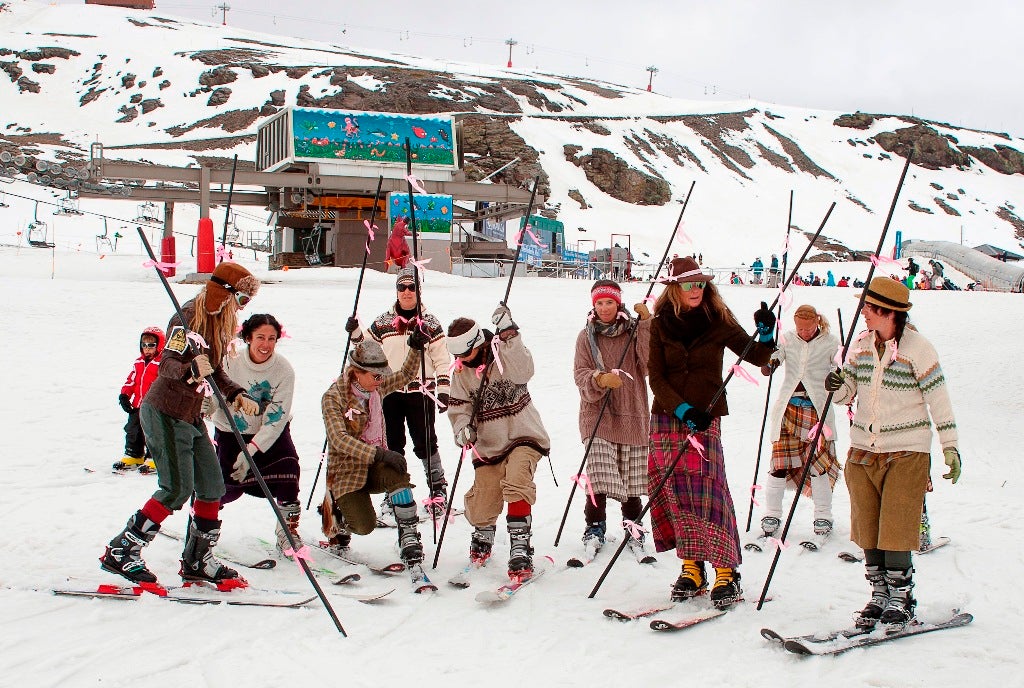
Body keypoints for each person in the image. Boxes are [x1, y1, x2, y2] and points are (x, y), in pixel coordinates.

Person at [100, 262, 261, 585]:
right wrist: (190, 371)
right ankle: (123, 550)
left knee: (212, 487)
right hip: (165, 412)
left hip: (191, 415)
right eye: (241, 300)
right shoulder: (187, 318)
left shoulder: (216, 325)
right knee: (176, 489)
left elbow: (213, 370)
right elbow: (167, 363)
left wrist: (236, 393)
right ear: (225, 294)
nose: (242, 308)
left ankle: (198, 558)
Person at [825, 276, 961, 629]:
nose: (864, 313)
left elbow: (939, 399)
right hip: (863, 451)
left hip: (907, 451)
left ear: (888, 313)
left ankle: (902, 597)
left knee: (896, 527)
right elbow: (845, 396)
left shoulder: (919, 349)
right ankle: (879, 594)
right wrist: (837, 386)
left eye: (868, 308)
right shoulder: (861, 345)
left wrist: (950, 447)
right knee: (868, 527)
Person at [647, 257, 776, 608]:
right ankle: (692, 568)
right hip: (668, 418)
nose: (696, 290)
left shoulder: (717, 320)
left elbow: (759, 356)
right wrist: (682, 410)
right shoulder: (658, 325)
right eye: (689, 284)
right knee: (675, 492)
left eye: (701, 283)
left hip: (706, 417)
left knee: (710, 492)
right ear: (674, 287)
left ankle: (725, 571)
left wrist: (766, 332)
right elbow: (655, 378)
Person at [445, 304, 550, 583]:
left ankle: (519, 546)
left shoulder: (503, 352)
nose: (462, 359)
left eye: (465, 353)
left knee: (516, 482)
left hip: (522, 435)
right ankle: (483, 531)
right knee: (483, 504)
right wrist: (462, 429)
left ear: (478, 343)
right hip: (489, 443)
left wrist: (510, 334)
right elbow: (458, 409)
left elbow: (524, 371)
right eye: (456, 355)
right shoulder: (460, 373)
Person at [348, 267, 452, 520]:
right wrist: (355, 333)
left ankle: (438, 489)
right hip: (389, 393)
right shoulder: (383, 321)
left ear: (419, 291)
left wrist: (444, 389)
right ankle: (393, 491)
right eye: (402, 287)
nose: (406, 292)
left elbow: (441, 358)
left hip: (421, 391)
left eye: (412, 287)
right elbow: (367, 349)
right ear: (396, 290)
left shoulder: (430, 323)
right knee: (392, 443)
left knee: (425, 442)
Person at [319, 334, 429, 571]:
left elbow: (405, 376)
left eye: (382, 375)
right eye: (376, 376)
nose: (381, 380)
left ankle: (408, 535)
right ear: (357, 372)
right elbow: (339, 440)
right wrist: (379, 454)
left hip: (375, 466)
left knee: (397, 470)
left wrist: (414, 349)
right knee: (364, 526)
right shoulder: (333, 397)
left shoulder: (376, 387)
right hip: (348, 473)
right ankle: (338, 517)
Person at [208, 313, 303, 556]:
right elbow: (217, 396)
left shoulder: (284, 370)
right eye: (260, 337)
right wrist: (208, 406)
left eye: (272, 338)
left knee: (289, 470)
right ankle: (203, 524)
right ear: (248, 337)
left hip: (269, 435)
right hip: (232, 432)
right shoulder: (230, 362)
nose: (266, 344)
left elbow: (276, 418)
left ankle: (287, 531)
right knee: (226, 486)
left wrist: (250, 451)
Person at [572, 280, 652, 559]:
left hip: (632, 410)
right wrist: (599, 378)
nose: (604, 308)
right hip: (597, 413)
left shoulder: (632, 332)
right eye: (599, 303)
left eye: (609, 302)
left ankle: (634, 526)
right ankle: (594, 527)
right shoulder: (586, 336)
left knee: (631, 477)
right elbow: (580, 373)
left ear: (618, 303)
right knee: (599, 473)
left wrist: (645, 326)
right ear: (593, 305)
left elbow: (649, 363)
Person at [758, 305, 840, 540]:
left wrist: (836, 375)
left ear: (817, 322)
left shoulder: (829, 342)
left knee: (817, 464)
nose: (803, 332)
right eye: (799, 328)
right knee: (779, 463)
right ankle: (772, 513)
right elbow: (770, 365)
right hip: (788, 409)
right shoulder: (788, 339)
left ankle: (823, 515)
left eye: (808, 327)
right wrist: (769, 359)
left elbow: (839, 368)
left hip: (816, 411)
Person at [114, 326, 165, 473]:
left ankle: (155, 457)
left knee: (153, 432)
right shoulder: (139, 363)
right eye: (144, 345)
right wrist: (124, 395)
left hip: (155, 407)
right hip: (138, 405)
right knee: (133, 429)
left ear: (160, 345)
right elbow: (131, 381)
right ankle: (134, 454)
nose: (147, 349)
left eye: (151, 345)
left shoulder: (162, 364)